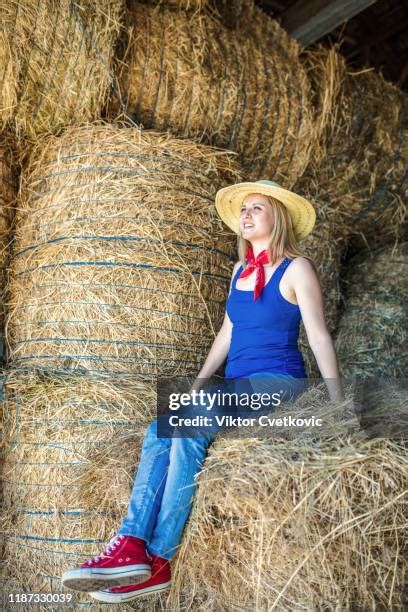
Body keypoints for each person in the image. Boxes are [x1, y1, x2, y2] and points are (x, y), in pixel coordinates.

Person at [61, 179, 344, 603]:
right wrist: (197, 384)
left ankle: (159, 558)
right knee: (160, 429)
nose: (246, 216)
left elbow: (319, 336)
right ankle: (131, 543)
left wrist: (338, 402)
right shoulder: (239, 272)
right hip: (234, 385)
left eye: (257, 209)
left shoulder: (296, 268)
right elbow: (228, 333)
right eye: (244, 210)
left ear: (278, 218)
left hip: (279, 382)